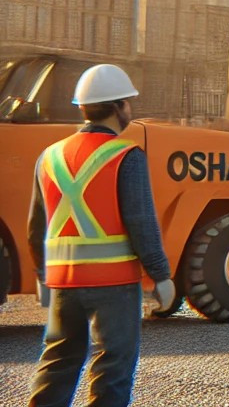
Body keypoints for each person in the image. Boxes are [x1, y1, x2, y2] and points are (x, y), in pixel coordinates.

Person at [27, 63, 178, 407]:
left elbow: (37, 226)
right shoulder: (127, 155)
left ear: (82, 107)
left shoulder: (49, 157)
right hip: (114, 285)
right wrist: (161, 275)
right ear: (119, 107)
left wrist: (42, 275)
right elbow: (141, 222)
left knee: (58, 364)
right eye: (128, 104)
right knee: (113, 369)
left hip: (64, 284)